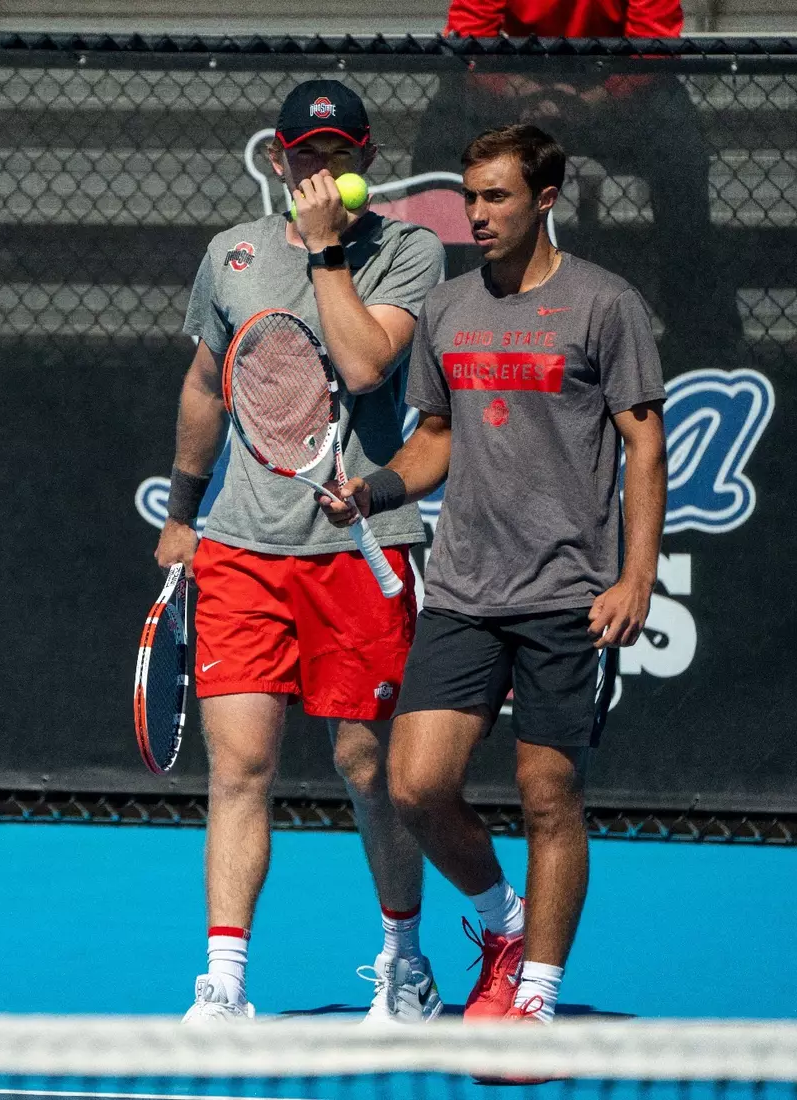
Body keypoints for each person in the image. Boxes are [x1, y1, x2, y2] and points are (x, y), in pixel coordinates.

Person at [323, 125, 667, 1023]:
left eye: (497, 197)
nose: (476, 214)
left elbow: (643, 443)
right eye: (471, 197)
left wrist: (636, 578)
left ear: (544, 198)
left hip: (566, 593)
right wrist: (379, 486)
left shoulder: (604, 304)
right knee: (414, 785)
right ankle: (501, 922)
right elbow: (436, 437)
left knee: (550, 795)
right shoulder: (447, 309)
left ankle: (539, 996)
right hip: (466, 590)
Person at [155, 79, 445, 1024]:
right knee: (238, 768)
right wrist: (184, 509)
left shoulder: (407, 250)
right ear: (280, 160)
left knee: (370, 769)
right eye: (305, 155)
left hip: (361, 551)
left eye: (340, 154)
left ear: (366, 162)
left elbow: (366, 366)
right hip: (242, 550)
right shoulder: (229, 256)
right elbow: (207, 385)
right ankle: (226, 983)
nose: (322, 169)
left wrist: (326, 254)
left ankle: (405, 960)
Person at [413, 0, 742, 365]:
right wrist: (516, 88)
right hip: (516, 70)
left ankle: (702, 345)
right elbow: (468, 35)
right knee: (439, 139)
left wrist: (599, 97)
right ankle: (421, 320)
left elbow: (655, 41)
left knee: (680, 147)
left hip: (610, 71)